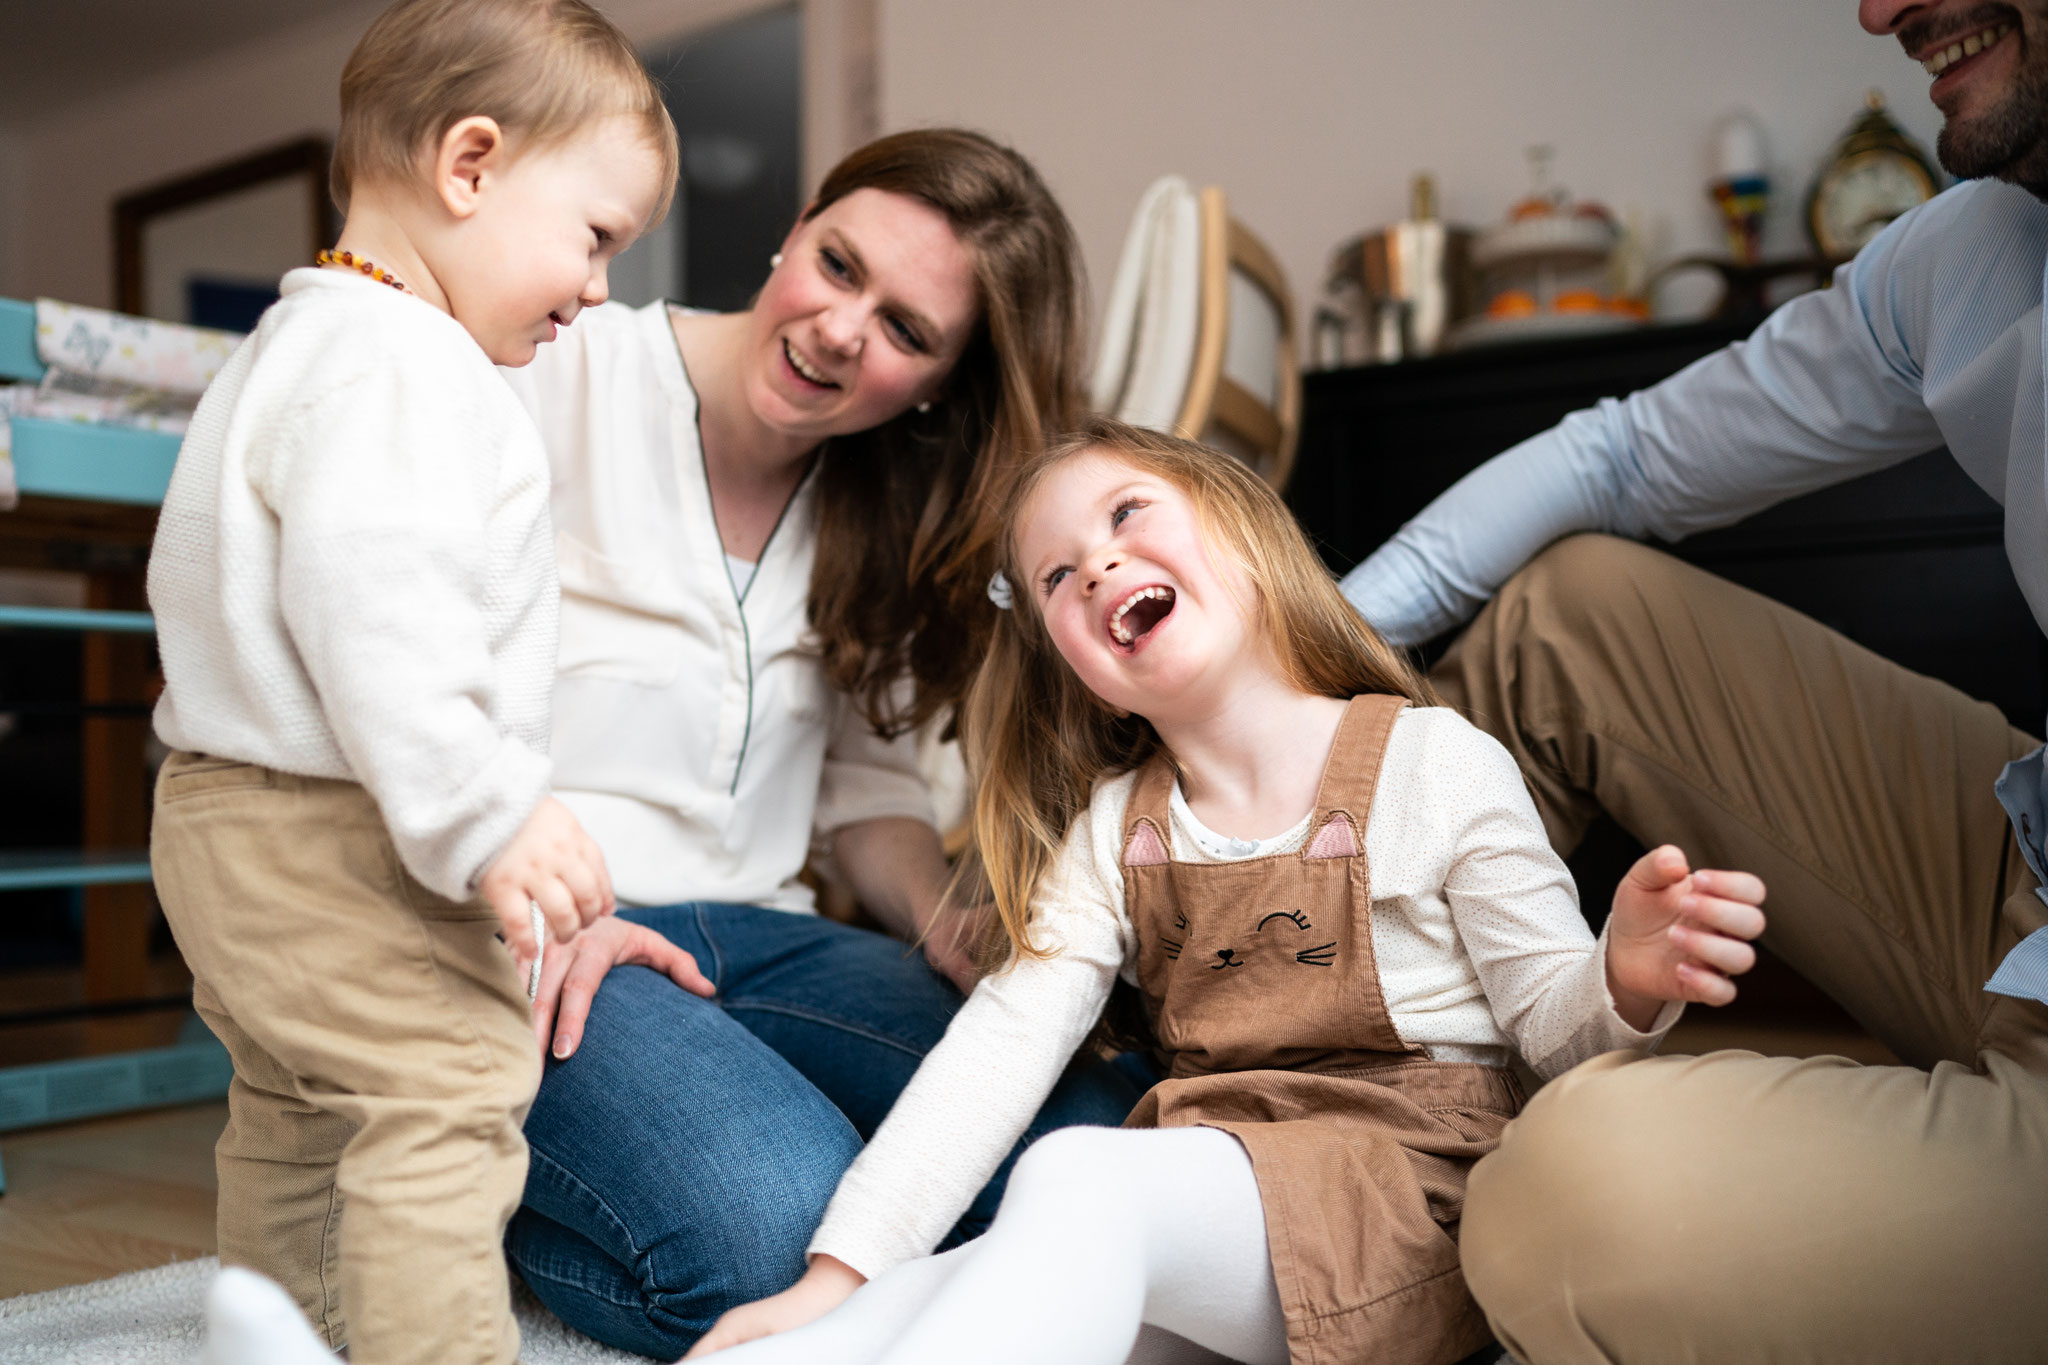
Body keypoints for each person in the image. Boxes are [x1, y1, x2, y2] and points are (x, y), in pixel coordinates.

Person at [682, 417, 1766, 1365]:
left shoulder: (1433, 762)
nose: (1097, 567)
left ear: (1242, 529)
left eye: (1124, 516)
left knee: (1074, 1182)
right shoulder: (1116, 829)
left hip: (1414, 1206)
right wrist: (837, 1277)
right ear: (1072, 663)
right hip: (1215, 1194)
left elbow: (1553, 1038)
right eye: (1057, 576)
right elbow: (999, 1049)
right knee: (914, 1300)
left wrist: (1618, 979)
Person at [1335, 2, 2048, 1359]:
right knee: (1569, 615)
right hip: (2031, 851)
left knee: (1567, 1197)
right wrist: (1289, 668)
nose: (1879, 11)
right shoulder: (1983, 247)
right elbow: (1622, 459)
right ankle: (1291, 1035)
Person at [493, 129, 1147, 1358]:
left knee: (1094, 1135)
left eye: (906, 330)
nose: (843, 329)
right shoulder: (557, 375)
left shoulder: (880, 509)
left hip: (763, 939)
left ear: (943, 384)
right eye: (838, 265)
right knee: (777, 1228)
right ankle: (466, 1187)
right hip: (548, 928)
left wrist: (945, 920)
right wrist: (533, 899)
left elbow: (859, 790)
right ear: (795, 226)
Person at [145, 3, 677, 1363]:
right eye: (598, 235)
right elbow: (379, 618)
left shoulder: (290, 348)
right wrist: (493, 810)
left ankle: (283, 1328)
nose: (602, 286)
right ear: (471, 164)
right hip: (332, 830)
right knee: (443, 1086)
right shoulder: (402, 370)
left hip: (220, 816)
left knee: (297, 1106)